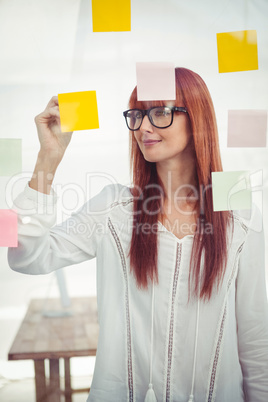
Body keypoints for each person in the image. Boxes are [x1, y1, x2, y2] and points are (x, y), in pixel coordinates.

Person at [8, 67, 268, 402]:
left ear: (197, 118)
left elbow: (255, 338)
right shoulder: (114, 205)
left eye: (159, 113)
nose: (143, 127)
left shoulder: (239, 210)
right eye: (137, 115)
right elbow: (23, 256)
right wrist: (47, 159)